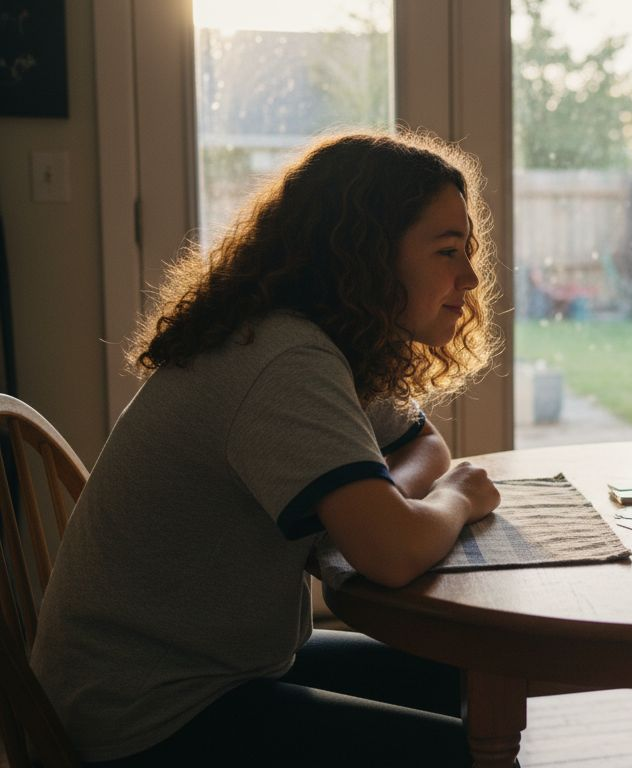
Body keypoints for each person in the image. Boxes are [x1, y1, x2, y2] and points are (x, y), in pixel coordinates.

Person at [32, 131, 505, 766]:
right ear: (367, 254)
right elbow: (392, 552)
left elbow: (422, 443)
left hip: (210, 672)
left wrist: (383, 503)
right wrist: (451, 500)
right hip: (143, 716)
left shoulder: (317, 338)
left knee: (466, 679)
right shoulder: (284, 362)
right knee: (458, 753)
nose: (471, 277)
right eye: (449, 251)